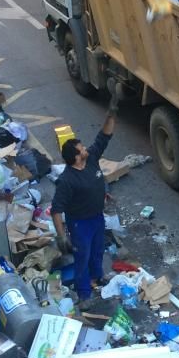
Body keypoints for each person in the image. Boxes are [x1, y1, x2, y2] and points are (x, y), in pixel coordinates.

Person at [51, 102, 121, 305]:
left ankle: (98, 277)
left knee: (98, 250)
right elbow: (56, 209)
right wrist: (62, 236)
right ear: (75, 157)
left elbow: (103, 138)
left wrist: (111, 116)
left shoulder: (90, 160)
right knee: (83, 256)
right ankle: (84, 294)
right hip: (80, 224)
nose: (85, 148)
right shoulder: (67, 180)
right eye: (81, 148)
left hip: (97, 218)